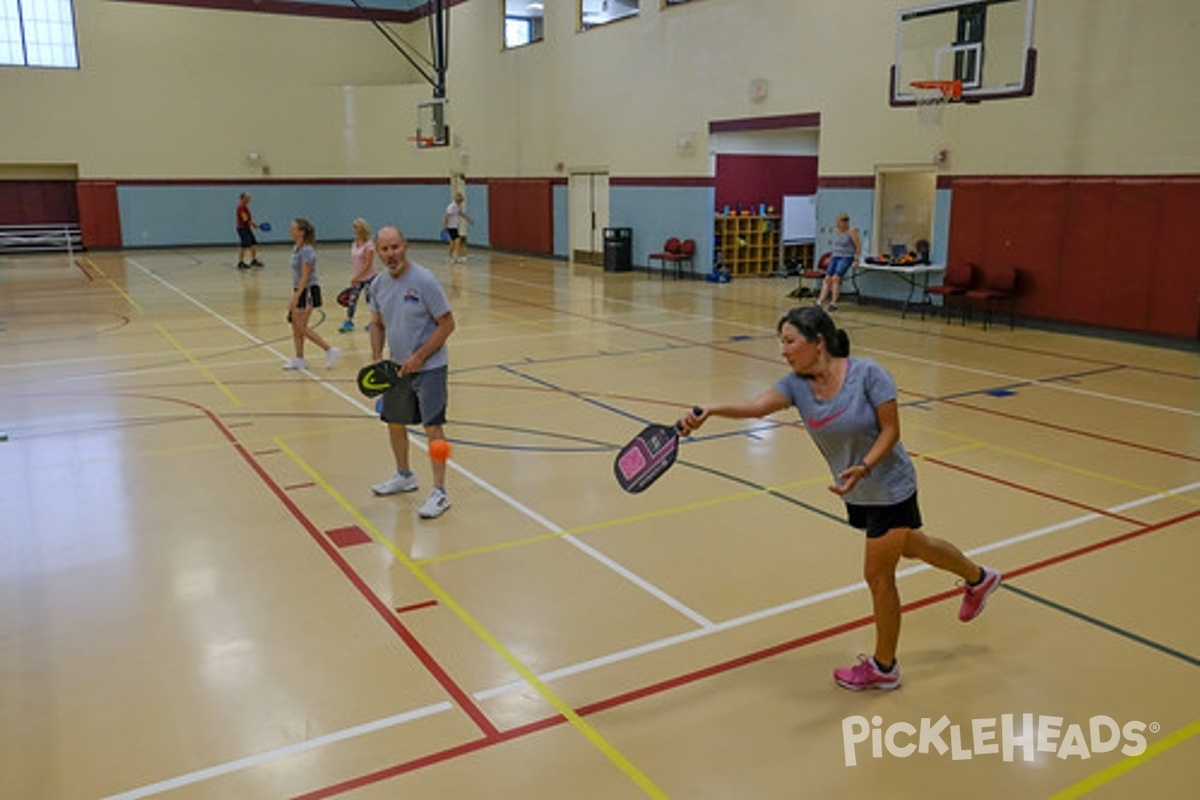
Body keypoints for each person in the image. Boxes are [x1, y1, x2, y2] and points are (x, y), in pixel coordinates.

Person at [678, 305, 1001, 691]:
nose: (783, 350)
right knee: (914, 546)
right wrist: (711, 409)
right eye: (781, 342)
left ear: (818, 342)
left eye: (790, 341)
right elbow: (757, 406)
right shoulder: (797, 385)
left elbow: (891, 431)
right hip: (856, 489)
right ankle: (978, 578)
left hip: (889, 485)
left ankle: (885, 668)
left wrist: (863, 466)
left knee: (878, 576)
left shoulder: (868, 374)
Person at [368, 226, 456, 519]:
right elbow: (377, 323)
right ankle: (404, 475)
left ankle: (440, 492)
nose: (391, 254)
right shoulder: (378, 284)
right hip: (397, 369)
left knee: (434, 428)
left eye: (395, 247)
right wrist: (376, 357)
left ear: (405, 246)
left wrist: (420, 356)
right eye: (385, 249)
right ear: (377, 251)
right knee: (395, 423)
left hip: (430, 367)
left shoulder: (424, 280)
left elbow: (447, 323)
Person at [284, 218, 340, 371]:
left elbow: (306, 275)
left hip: (307, 290)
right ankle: (299, 359)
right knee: (296, 326)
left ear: (301, 232)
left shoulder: (307, 250)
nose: (290, 230)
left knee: (300, 326)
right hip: (299, 289)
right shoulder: (297, 247)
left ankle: (329, 350)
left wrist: (296, 296)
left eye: (293, 228)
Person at [339, 218, 378, 333]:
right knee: (352, 300)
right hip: (358, 278)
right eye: (354, 227)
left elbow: (368, 263)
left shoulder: (369, 245)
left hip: (369, 277)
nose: (354, 230)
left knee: (370, 301)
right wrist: (356, 276)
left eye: (356, 227)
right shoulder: (354, 243)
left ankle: (374, 322)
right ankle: (348, 321)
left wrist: (357, 277)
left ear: (362, 229)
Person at [816, 213, 861, 311]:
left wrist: (857, 258)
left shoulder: (851, 231)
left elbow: (858, 245)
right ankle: (820, 301)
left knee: (836, 278)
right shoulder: (836, 231)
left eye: (840, 222)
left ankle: (833, 303)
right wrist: (831, 257)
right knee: (828, 278)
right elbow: (836, 246)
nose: (838, 224)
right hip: (836, 256)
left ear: (845, 222)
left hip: (846, 257)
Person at [442, 191, 473, 263]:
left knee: (453, 242)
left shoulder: (460, 206)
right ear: (457, 200)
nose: (461, 202)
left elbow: (462, 214)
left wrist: (469, 220)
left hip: (455, 226)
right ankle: (454, 256)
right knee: (457, 240)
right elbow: (447, 216)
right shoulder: (451, 206)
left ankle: (450, 257)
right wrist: (445, 225)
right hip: (451, 226)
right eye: (460, 200)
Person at [236, 192, 264, 270]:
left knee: (253, 244)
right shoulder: (241, 207)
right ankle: (240, 263)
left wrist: (252, 225)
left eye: (249, 198)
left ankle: (253, 260)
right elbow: (245, 219)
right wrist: (255, 225)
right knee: (243, 245)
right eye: (247, 198)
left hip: (247, 228)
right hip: (242, 228)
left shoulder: (245, 206)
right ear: (242, 198)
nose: (249, 199)